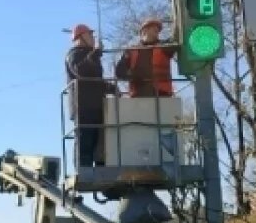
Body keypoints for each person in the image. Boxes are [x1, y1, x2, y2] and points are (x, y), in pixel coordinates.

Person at [66, 23, 114, 167]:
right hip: (83, 107)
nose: (93, 38)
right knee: (85, 140)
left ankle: (101, 167)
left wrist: (111, 88)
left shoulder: (91, 56)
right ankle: (83, 168)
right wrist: (95, 53)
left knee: (100, 141)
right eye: (90, 35)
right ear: (80, 37)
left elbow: (95, 81)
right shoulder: (74, 55)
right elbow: (81, 71)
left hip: (97, 105)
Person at [115, 18, 179, 98]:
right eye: (153, 27)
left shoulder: (164, 46)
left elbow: (176, 40)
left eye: (158, 28)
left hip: (161, 95)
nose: (157, 30)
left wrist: (177, 22)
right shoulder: (131, 50)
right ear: (144, 31)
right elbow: (119, 71)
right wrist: (134, 76)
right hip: (138, 95)